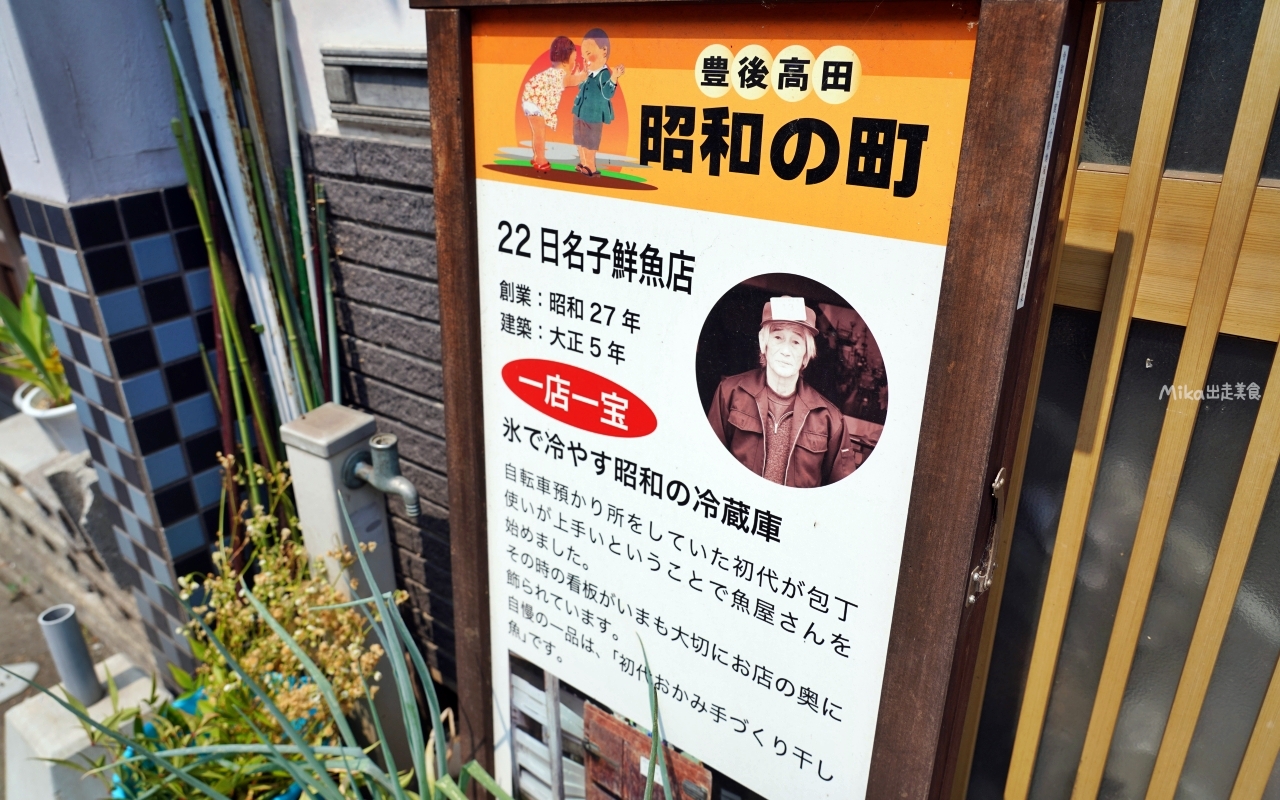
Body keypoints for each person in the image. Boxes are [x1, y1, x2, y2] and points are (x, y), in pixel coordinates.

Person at [707, 297, 853, 487]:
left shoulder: (830, 419)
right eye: (778, 338)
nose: (786, 351)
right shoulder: (730, 393)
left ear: (807, 354)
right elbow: (709, 463)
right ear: (764, 344)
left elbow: (841, 490)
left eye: (796, 342)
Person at [521, 36, 581, 174]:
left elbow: (570, 79)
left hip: (530, 97)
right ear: (566, 62)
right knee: (539, 133)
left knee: (537, 132)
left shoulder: (553, 73)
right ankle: (540, 159)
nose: (574, 64)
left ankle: (536, 156)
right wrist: (583, 75)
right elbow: (574, 80)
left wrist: (576, 75)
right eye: (573, 60)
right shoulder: (560, 75)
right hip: (536, 102)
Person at [571, 28, 624, 178]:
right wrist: (581, 76)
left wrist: (614, 77)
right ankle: (583, 162)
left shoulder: (604, 74)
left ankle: (591, 166)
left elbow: (607, 93)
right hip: (580, 111)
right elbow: (581, 87)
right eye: (583, 57)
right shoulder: (588, 73)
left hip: (593, 115)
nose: (586, 61)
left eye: (589, 55)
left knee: (590, 141)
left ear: (604, 51)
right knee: (579, 138)